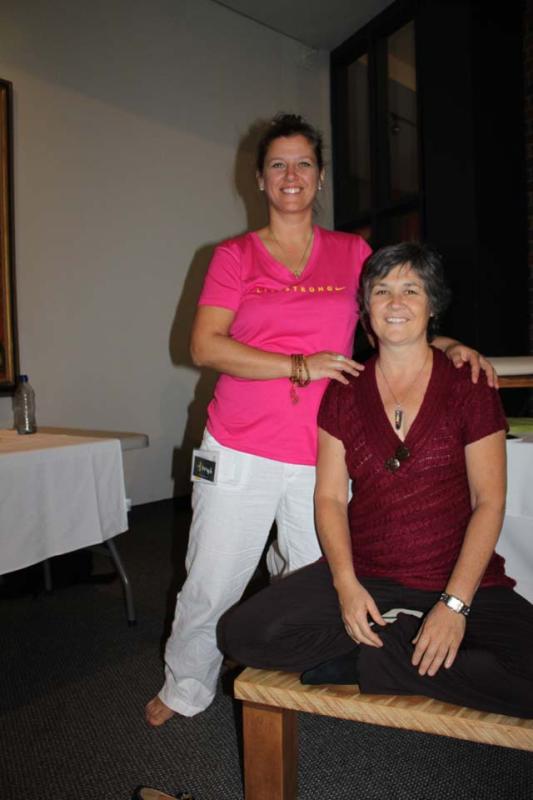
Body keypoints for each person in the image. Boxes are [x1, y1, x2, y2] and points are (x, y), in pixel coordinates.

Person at [146, 116, 497, 725]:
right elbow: (205, 345)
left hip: (324, 453)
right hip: (240, 448)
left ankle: (292, 684)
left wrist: (450, 345)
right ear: (260, 178)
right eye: (278, 164)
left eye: (304, 164)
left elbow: (390, 314)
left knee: (312, 584)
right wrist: (298, 366)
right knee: (212, 581)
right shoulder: (234, 256)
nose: (292, 175)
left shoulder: (352, 253)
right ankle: (185, 686)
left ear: (321, 176)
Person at [219, 242, 533, 718]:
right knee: (242, 635)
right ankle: (412, 647)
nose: (396, 302)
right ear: (366, 308)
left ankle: (374, 659)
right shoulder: (344, 393)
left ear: (433, 305)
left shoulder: (468, 386)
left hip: (457, 576)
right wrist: (346, 585)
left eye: (411, 289)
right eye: (382, 291)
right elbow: (329, 497)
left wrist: (453, 606)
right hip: (370, 572)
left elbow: (489, 500)